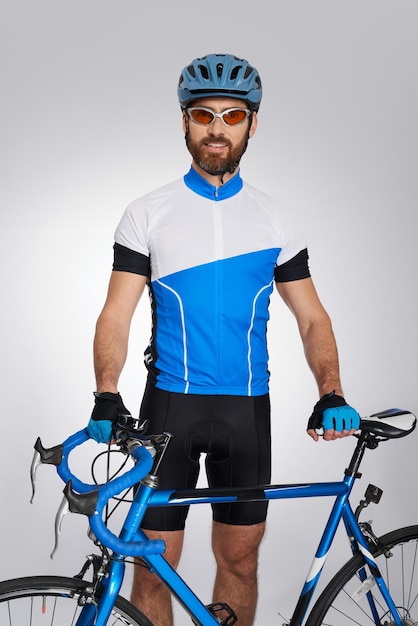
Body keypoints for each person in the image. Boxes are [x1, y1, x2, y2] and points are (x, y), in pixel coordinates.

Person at [87, 53, 360, 626]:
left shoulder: (276, 220)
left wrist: (330, 390)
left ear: (252, 124)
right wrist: (107, 392)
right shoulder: (146, 213)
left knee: (239, 560)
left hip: (246, 414)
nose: (217, 128)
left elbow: (312, 318)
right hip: (169, 411)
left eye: (233, 115)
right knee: (152, 562)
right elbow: (116, 314)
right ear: (184, 121)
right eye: (204, 115)